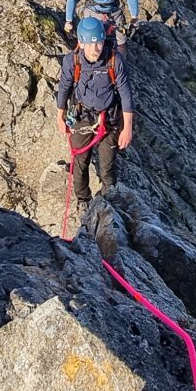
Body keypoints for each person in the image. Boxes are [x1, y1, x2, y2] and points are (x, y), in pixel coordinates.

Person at [55, 15, 133, 250]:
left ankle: (109, 204)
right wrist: (60, 115)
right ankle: (83, 200)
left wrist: (127, 127)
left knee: (108, 167)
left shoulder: (114, 60)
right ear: (81, 42)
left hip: (108, 119)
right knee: (79, 161)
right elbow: (64, 87)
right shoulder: (73, 61)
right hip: (83, 117)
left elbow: (126, 94)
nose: (95, 48)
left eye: (98, 42)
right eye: (90, 43)